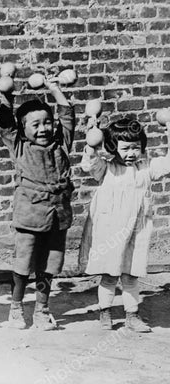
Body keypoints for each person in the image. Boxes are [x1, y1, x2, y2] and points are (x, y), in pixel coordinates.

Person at [79, 118, 170, 332]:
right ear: (112, 148)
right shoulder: (107, 168)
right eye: (126, 148)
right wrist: (92, 140)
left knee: (131, 274)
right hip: (110, 231)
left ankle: (132, 315)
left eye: (136, 148)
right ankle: (105, 311)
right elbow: (89, 164)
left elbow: (167, 163)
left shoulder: (146, 168)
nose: (131, 153)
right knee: (109, 275)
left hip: (136, 232)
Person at [0, 78, 75, 330]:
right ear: (23, 129)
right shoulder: (19, 147)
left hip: (58, 216)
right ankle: (16, 308)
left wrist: (54, 88)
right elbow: (6, 124)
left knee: (48, 267)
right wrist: (5, 97)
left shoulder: (61, 144)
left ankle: (42, 309)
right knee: (23, 266)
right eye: (35, 124)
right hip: (30, 217)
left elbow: (67, 115)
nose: (43, 128)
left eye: (47, 122)